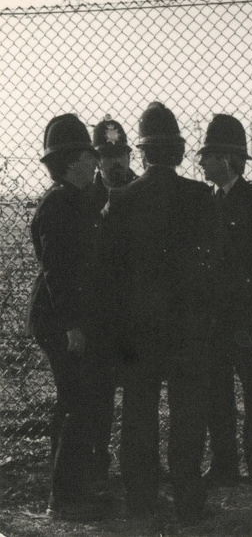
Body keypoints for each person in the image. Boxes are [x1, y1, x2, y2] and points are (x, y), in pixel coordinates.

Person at [98, 102, 215, 524]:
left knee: (138, 413)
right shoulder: (202, 198)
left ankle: (141, 500)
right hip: (189, 325)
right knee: (188, 412)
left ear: (142, 153)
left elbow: (107, 274)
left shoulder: (120, 200)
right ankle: (188, 499)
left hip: (137, 327)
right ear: (180, 153)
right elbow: (215, 265)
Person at [197, 114, 252, 489]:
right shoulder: (204, 200)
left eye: (208, 156)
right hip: (214, 316)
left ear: (228, 159)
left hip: (247, 314)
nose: (201, 162)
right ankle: (224, 465)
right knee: (217, 394)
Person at [26, 113, 103, 521]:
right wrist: (73, 324)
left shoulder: (76, 197)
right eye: (90, 155)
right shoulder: (59, 204)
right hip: (59, 319)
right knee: (78, 402)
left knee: (71, 402)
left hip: (64, 315)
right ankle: (65, 500)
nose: (95, 162)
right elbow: (57, 269)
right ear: (72, 160)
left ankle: (69, 490)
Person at [85, 115, 136, 486]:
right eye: (107, 155)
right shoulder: (85, 197)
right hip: (101, 313)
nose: (116, 162)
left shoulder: (143, 190)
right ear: (96, 159)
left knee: (138, 394)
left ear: (131, 156)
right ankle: (97, 466)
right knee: (99, 396)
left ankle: (138, 465)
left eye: (121, 155)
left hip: (135, 312)